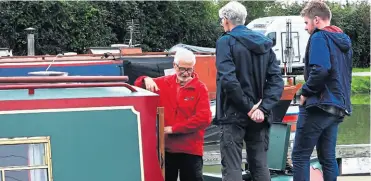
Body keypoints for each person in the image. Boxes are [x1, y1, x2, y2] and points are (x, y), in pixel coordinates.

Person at [214, 1, 284, 181]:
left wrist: (248, 107)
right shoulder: (264, 44)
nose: (222, 23)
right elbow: (276, 80)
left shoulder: (225, 42)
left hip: (233, 113)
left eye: (222, 20)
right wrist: (263, 108)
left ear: (227, 20)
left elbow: (228, 80)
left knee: (232, 167)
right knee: (260, 166)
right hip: (260, 115)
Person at [291, 1, 353, 181]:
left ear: (316, 20)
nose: (305, 27)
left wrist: (305, 91)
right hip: (337, 107)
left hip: (319, 105)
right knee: (327, 158)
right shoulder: (342, 40)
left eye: (306, 22)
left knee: (300, 156)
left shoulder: (319, 37)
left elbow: (321, 69)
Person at [134, 48, 212, 181]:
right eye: (182, 69)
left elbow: (204, 118)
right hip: (166, 150)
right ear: (174, 66)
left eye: (189, 69)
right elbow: (137, 85)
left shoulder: (200, 88)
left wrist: (174, 129)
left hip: (190, 150)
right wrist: (146, 79)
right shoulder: (163, 82)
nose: (186, 73)